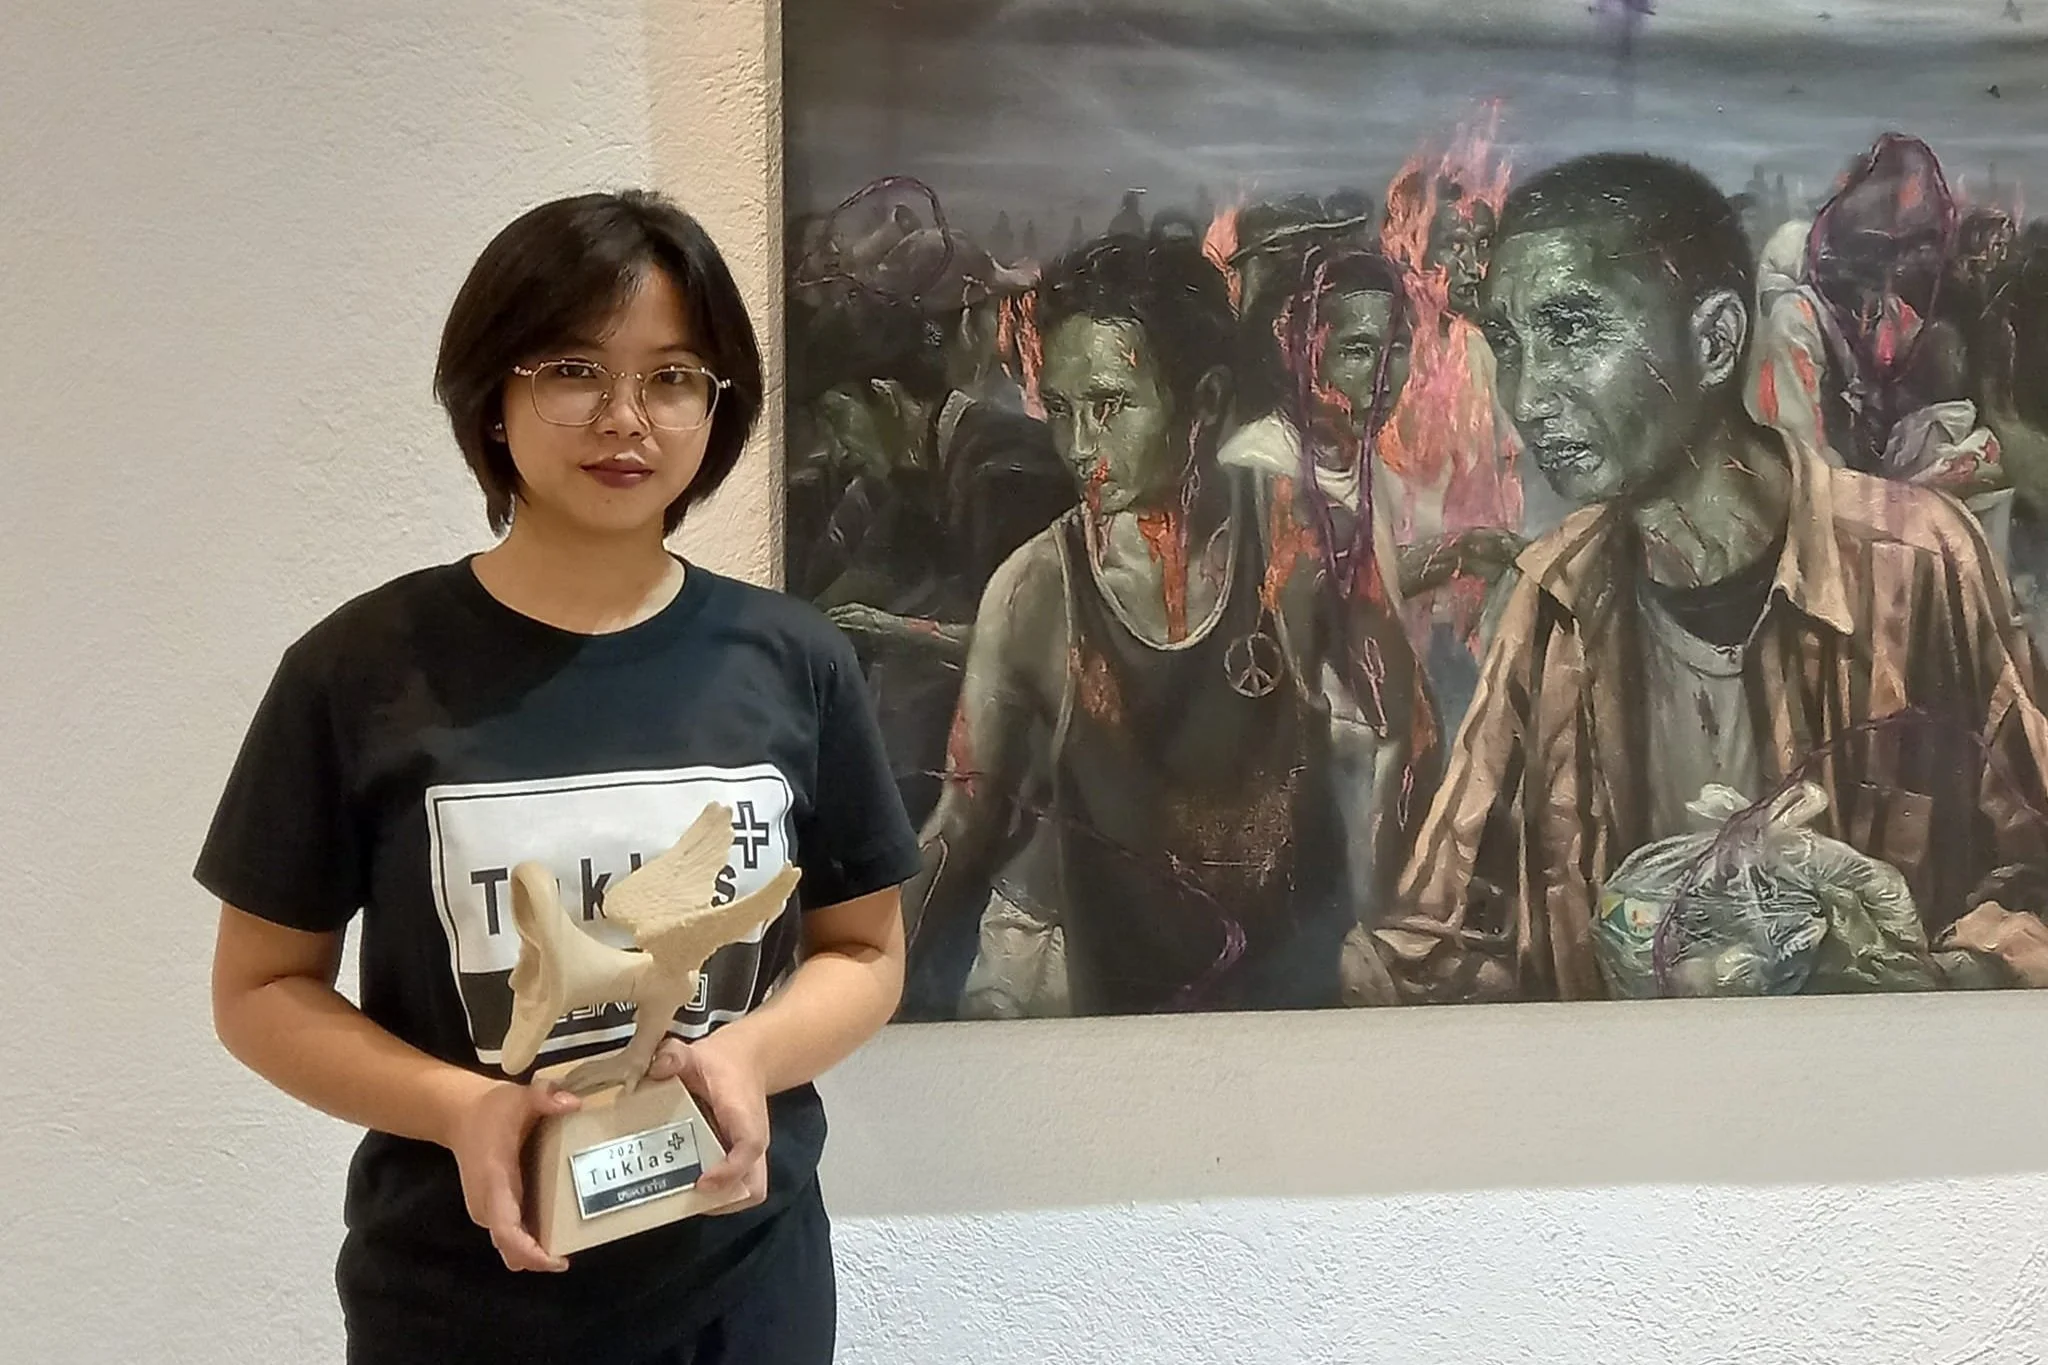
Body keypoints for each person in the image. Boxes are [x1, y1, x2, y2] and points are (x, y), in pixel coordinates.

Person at [197, 191, 921, 1365]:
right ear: (492, 392)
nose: (624, 418)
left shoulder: (794, 660)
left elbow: (865, 952)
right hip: (460, 1300)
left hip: (742, 1290)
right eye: (574, 370)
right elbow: (260, 989)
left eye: (673, 377)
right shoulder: (361, 669)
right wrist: (461, 1106)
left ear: (717, 405)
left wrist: (745, 1056)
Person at [1341, 153, 2048, 1006]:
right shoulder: (1553, 594)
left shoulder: (1917, 562)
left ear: (1713, 340)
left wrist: (1927, 971)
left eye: (1573, 330)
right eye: (1509, 342)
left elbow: (2034, 868)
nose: (1526, 396)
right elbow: (1446, 921)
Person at [902, 228, 1439, 1019]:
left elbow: (1409, 730)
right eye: (1062, 410)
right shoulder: (1035, 592)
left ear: (1207, 401)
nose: (1080, 446)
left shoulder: (1303, 540)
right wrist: (854, 978)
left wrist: (1380, 916)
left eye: (1110, 406)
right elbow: (962, 820)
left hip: (1299, 1019)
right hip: (1116, 1028)